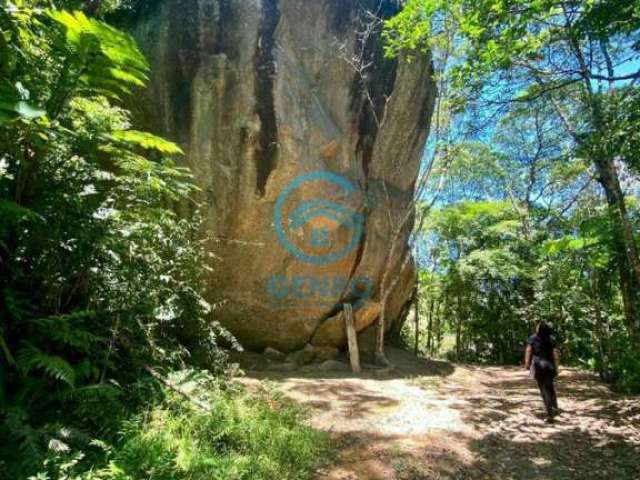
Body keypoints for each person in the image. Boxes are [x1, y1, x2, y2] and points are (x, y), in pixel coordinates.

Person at [524, 321, 560, 422]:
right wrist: (557, 368)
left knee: (544, 389)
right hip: (550, 366)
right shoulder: (551, 339)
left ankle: (550, 414)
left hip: (538, 365)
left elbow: (528, 351)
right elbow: (555, 354)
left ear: (539, 328)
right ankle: (555, 406)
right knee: (550, 386)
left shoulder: (533, 338)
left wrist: (527, 364)